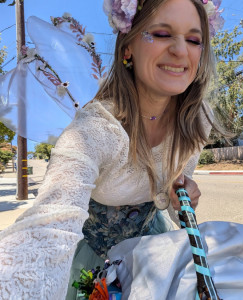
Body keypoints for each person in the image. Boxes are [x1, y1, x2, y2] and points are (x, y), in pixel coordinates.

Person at [0, 0, 222, 299]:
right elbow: (48, 225)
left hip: (152, 252)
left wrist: (180, 197)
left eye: (194, 40)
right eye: (160, 34)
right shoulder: (95, 129)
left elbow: (172, 193)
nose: (181, 51)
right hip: (91, 263)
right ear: (127, 47)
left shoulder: (198, 119)